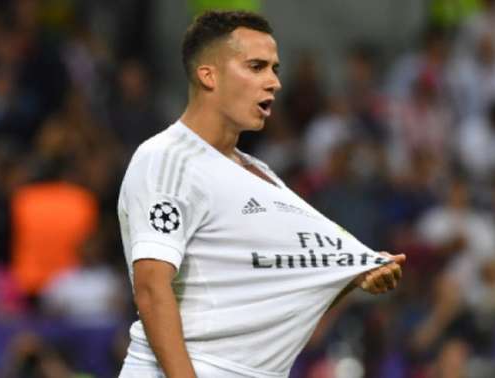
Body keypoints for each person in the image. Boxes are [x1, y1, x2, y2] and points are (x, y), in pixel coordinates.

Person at [117, 11, 406, 378]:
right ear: (209, 75)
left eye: (275, 69)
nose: (274, 82)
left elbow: (288, 288)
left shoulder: (260, 173)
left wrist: (354, 276)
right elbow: (151, 286)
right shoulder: (168, 158)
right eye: (256, 67)